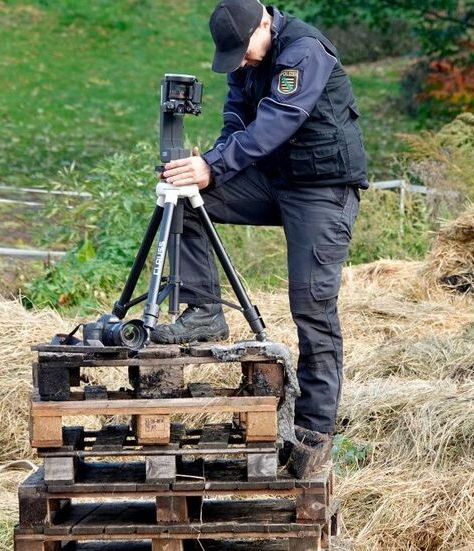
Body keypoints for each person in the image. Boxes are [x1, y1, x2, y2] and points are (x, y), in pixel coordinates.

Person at [151, 0, 367, 437]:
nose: (242, 63)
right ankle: (205, 311)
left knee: (311, 306)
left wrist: (214, 165)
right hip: (274, 181)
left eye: (244, 52)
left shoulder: (304, 50)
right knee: (185, 198)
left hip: (322, 188)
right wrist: (205, 167)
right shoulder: (245, 60)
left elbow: (277, 122)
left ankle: (313, 432)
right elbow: (236, 122)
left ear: (264, 23)